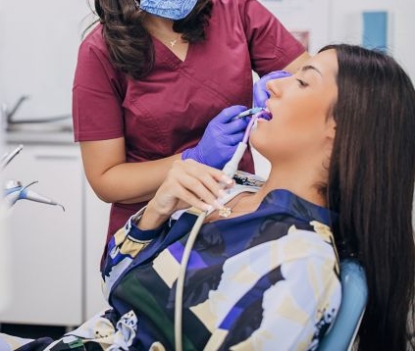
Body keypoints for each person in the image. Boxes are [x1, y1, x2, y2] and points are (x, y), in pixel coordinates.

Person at [3, 44, 414, 350]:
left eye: (302, 80)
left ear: (341, 131)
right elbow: (115, 284)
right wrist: (158, 208)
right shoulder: (230, 190)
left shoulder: (301, 266)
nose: (273, 87)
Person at [72, 0, 308, 258]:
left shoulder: (234, 9)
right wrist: (193, 159)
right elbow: (106, 180)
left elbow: (315, 85)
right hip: (152, 233)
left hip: (235, 214)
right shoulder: (100, 53)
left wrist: (290, 86)